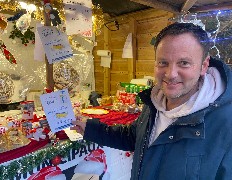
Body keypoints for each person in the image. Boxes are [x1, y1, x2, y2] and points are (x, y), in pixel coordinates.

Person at [71, 22, 232, 179]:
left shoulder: (225, 124)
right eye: (163, 63)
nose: (171, 74)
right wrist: (91, 129)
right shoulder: (155, 102)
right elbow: (133, 137)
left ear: (204, 65)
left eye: (184, 63)